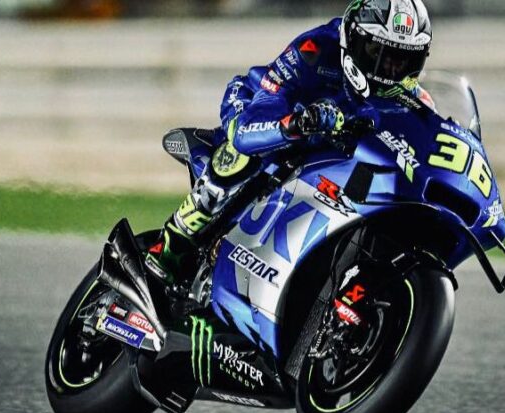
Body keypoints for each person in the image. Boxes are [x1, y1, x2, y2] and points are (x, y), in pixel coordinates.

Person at [144, 0, 434, 286]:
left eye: (401, 61)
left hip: (328, 148)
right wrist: (299, 123)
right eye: (378, 54)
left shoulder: (415, 100)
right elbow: (249, 127)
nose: (388, 70)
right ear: (354, 40)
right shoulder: (315, 49)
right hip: (259, 109)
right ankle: (173, 241)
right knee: (244, 152)